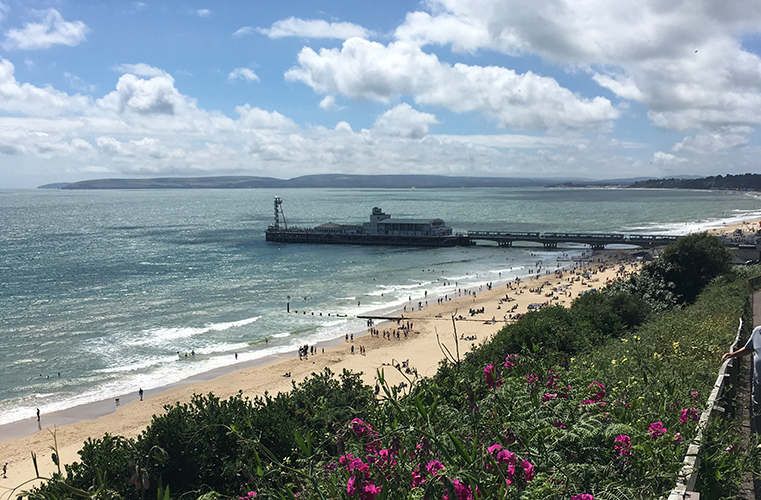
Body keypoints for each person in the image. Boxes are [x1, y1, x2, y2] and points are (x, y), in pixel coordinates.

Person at [723, 325, 761, 430]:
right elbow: (749, 348)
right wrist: (732, 355)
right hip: (759, 381)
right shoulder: (757, 331)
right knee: (757, 409)